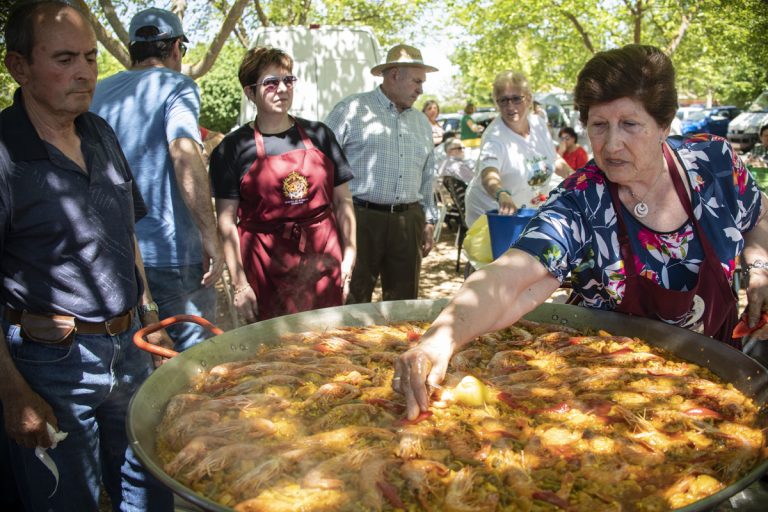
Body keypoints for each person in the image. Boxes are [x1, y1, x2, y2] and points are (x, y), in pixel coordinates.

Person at [393, 44, 768, 421]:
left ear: (664, 124)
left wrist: (760, 270)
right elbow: (509, 277)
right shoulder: (582, 199)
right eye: (598, 125)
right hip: (614, 397)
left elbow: (758, 217)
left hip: (718, 378)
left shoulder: (715, 163)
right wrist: (439, 340)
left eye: (630, 125)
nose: (610, 144)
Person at [0, 2, 174, 510]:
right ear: (19, 66)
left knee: (150, 486)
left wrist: (151, 315)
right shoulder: (6, 152)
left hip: (130, 350)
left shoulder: (99, 132)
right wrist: (12, 392)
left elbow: (127, 235)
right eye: (64, 59)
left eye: (92, 58)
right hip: (50, 363)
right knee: (67, 500)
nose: (84, 73)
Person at [91, 7, 223, 352]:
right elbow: (183, 153)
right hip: (174, 256)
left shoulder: (97, 93)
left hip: (114, 256)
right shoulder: (177, 85)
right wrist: (211, 237)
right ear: (177, 47)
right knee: (196, 364)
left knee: (139, 359)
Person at [210, 47, 356, 323]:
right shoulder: (231, 149)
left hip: (322, 256)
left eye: (288, 80)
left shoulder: (320, 135)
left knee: (329, 342)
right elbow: (226, 223)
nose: (282, 89)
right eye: (271, 82)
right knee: (273, 354)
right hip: (265, 265)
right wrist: (240, 283)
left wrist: (349, 255)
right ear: (250, 92)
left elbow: (343, 201)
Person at [325, 44, 439, 303]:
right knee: (351, 299)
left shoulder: (421, 123)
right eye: (417, 81)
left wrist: (429, 220)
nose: (421, 89)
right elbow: (321, 163)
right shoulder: (351, 110)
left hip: (408, 222)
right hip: (359, 219)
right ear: (394, 74)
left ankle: (402, 346)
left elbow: (427, 177)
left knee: (404, 305)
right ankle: (347, 346)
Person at [464, 70, 573, 228]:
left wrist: (575, 177)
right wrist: (501, 194)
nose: (510, 106)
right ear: (496, 103)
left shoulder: (539, 124)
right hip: (491, 213)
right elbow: (489, 174)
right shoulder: (494, 136)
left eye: (516, 99)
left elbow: (553, 159)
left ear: (528, 99)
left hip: (525, 210)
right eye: (503, 100)